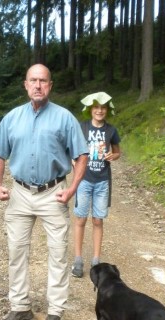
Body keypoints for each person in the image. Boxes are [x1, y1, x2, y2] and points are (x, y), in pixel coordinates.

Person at [0, 64, 88, 320]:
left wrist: (72, 189)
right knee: (16, 251)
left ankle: (55, 311)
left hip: (53, 192)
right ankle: (20, 306)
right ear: (25, 85)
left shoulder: (64, 118)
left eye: (43, 81)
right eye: (33, 80)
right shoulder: (11, 118)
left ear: (50, 85)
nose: (37, 85)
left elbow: (81, 156)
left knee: (58, 253)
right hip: (20, 193)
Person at [71, 91, 122, 278]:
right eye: (96, 107)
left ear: (107, 110)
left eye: (103, 108)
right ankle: (78, 260)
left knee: (98, 220)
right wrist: (74, 162)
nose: (99, 111)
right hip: (84, 180)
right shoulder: (82, 127)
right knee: (80, 219)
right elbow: (72, 149)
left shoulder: (111, 130)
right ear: (90, 109)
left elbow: (117, 152)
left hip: (102, 181)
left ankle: (96, 261)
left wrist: (112, 156)